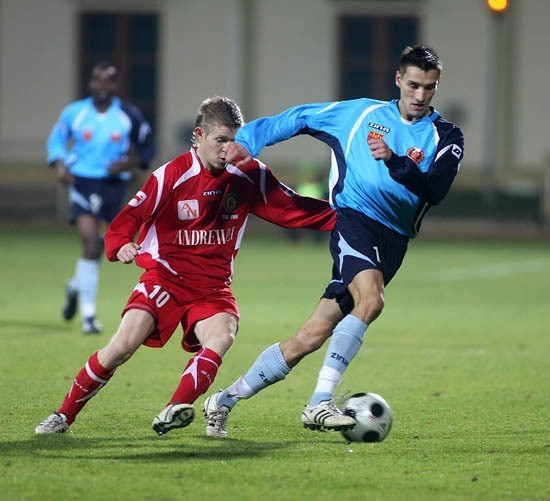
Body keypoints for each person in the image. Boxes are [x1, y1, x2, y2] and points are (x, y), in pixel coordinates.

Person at [202, 45, 465, 438]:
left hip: (394, 240)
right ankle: (319, 402)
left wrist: (395, 160)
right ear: (398, 80)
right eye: (413, 85)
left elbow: (435, 189)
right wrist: (251, 139)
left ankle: (223, 400)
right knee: (371, 301)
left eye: (429, 88)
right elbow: (301, 117)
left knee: (310, 336)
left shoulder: (446, 135)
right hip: (354, 221)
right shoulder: (360, 115)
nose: (420, 95)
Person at [35, 96, 336, 435]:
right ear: (199, 135)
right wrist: (119, 244)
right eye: (220, 140)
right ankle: (62, 415)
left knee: (222, 337)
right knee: (121, 348)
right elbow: (128, 218)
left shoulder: (249, 173)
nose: (228, 149)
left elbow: (292, 208)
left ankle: (174, 409)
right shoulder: (171, 176)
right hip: (165, 279)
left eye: (234, 139)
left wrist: (348, 218)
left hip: (212, 287)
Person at [46, 61, 154, 334]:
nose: (102, 86)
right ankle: (89, 316)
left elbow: (144, 149)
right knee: (91, 242)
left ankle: (75, 286)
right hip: (81, 181)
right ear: (91, 83)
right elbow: (56, 141)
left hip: (113, 187)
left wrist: (127, 164)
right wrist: (60, 166)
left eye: (109, 81)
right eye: (98, 80)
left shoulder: (129, 115)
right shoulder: (75, 113)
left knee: (103, 247)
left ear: (116, 86)